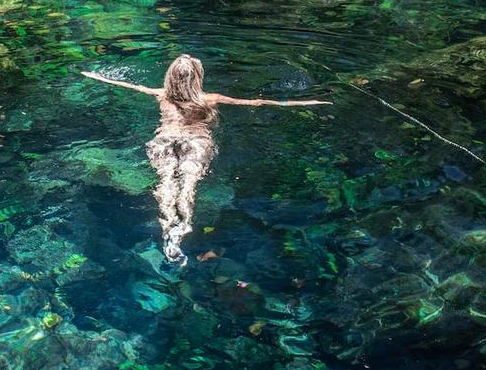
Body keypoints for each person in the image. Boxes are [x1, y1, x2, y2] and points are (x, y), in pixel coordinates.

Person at [82, 55, 330, 266]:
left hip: (165, 140)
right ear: (198, 77)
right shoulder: (209, 99)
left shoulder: (161, 95)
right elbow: (258, 102)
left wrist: (95, 77)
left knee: (167, 181)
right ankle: (185, 224)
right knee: (188, 184)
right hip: (196, 142)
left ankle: (170, 233)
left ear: (169, 77)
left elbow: (127, 85)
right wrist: (306, 101)